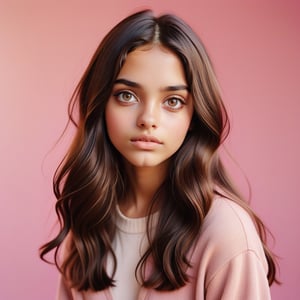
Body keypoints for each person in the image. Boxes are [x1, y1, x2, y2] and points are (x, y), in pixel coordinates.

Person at [40, 9, 278, 300]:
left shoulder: (225, 232)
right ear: (100, 103)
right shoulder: (87, 226)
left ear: (194, 116)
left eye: (173, 101)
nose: (148, 118)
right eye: (127, 95)